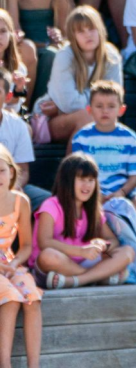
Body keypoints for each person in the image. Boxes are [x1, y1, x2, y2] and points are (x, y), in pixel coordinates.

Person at [30, 152, 135, 289]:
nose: (87, 185)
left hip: (82, 264)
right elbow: (45, 242)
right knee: (48, 256)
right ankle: (99, 277)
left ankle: (77, 281)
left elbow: (113, 240)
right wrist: (81, 251)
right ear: (67, 181)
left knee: (127, 252)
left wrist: (103, 245)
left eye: (91, 180)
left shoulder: (93, 209)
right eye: (81, 179)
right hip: (57, 265)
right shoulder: (51, 205)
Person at [36, 6, 123, 143]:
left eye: (92, 29)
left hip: (91, 116)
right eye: (81, 31)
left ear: (100, 30)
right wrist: (100, 103)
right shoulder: (64, 56)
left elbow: (114, 98)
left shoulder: (111, 55)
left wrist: (61, 108)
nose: (88, 35)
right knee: (86, 118)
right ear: (73, 36)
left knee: (101, 120)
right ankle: (74, 158)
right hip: (49, 120)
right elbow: (70, 104)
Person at [69, 80, 136, 219]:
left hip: (124, 192)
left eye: (111, 106)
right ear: (89, 110)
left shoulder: (131, 139)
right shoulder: (81, 138)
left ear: (121, 110)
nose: (105, 111)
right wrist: (94, 194)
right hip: (90, 191)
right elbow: (77, 174)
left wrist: (122, 192)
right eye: (99, 106)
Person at [11, 0, 71, 105]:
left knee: (51, 55)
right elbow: (15, 28)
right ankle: (23, 106)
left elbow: (65, 33)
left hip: (47, 46)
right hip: (24, 46)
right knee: (27, 51)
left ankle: (38, 106)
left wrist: (58, 36)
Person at [0, 145, 42, 368]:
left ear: (11, 172)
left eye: (1, 171)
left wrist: (15, 262)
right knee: (11, 297)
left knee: (31, 298)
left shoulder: (20, 201)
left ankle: (34, 365)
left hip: (9, 263)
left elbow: (26, 245)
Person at [0, 69, 50, 211]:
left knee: (49, 202)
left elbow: (23, 171)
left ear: (8, 97)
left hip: (9, 186)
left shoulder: (18, 126)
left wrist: (11, 189)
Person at [0, 9, 29, 114]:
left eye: (3, 31)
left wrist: (19, 89)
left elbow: (13, 108)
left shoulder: (19, 68)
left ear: (10, 34)